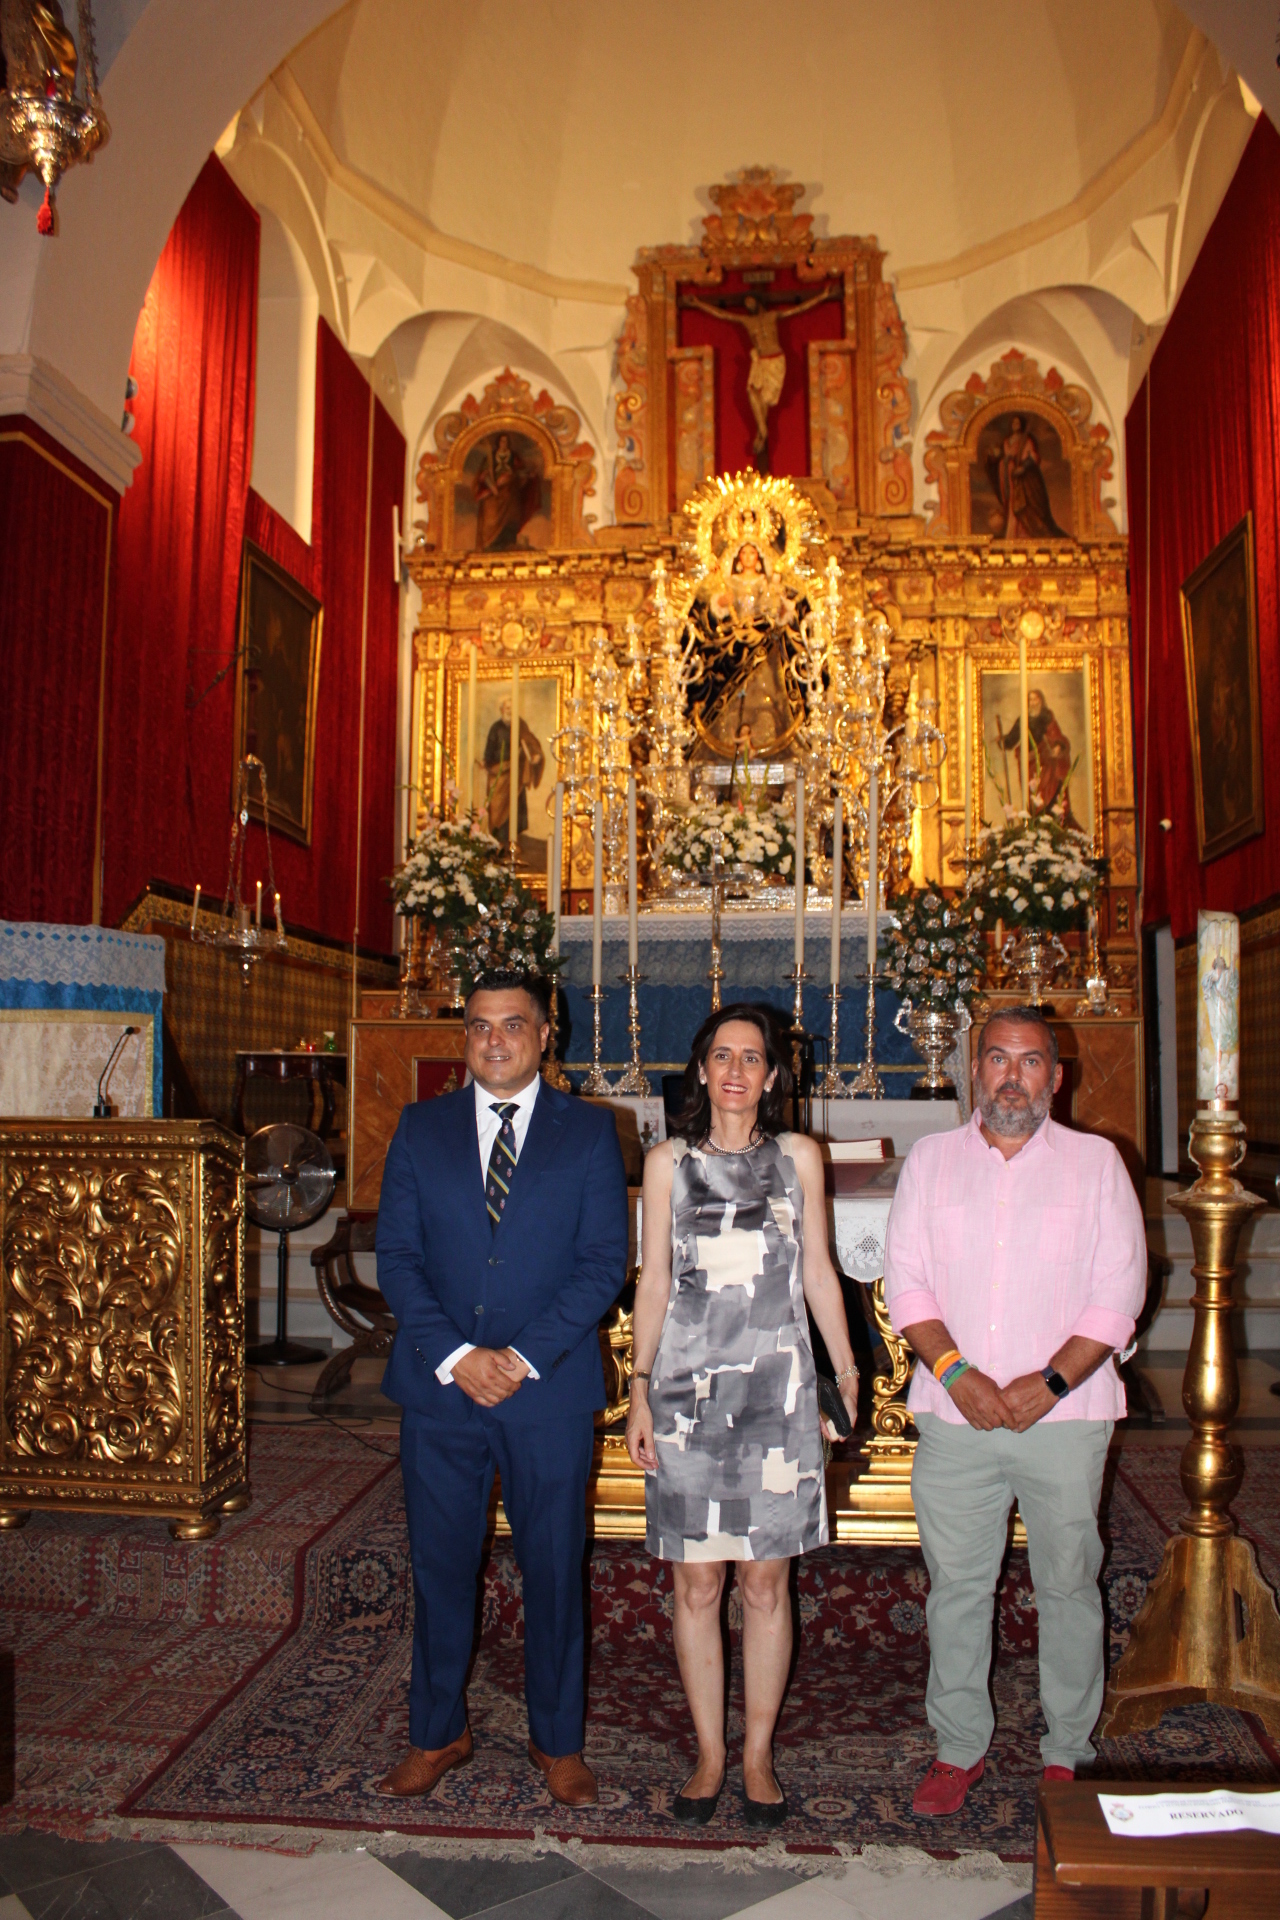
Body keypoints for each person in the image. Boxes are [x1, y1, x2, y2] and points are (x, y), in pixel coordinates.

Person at [882, 1006, 1146, 1818]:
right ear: (975, 1070)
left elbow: (1120, 1291)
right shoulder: (931, 1161)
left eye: (1030, 1062)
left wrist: (1051, 1383)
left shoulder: (1097, 1164)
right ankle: (959, 1744)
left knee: (1068, 1584)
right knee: (957, 1587)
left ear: (1055, 1078)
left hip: (1066, 1418)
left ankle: (1067, 1749)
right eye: (997, 1058)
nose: (1012, 1077)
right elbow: (907, 1282)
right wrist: (956, 1373)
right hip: (955, 1414)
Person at [375, 970, 629, 1806]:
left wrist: (518, 1358)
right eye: (480, 1026)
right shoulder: (420, 1128)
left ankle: (557, 1742)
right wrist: (457, 1355)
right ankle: (436, 1731)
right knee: (440, 1566)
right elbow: (397, 1258)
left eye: (512, 1024)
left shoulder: (589, 1132)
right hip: (441, 1390)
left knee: (554, 1569)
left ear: (545, 1035)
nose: (494, 1040)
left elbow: (602, 1263)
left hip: (546, 1392)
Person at [626, 1005, 859, 1829]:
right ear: (701, 1069)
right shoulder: (668, 1163)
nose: (735, 1071)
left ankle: (757, 1753)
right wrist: (638, 1389)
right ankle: (709, 1754)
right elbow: (655, 1281)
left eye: (751, 1058)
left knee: (765, 1582)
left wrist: (846, 1373)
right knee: (697, 1582)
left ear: (771, 1075)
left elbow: (820, 1271)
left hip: (777, 1393)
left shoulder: (798, 1157)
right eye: (721, 1056)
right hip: (687, 1395)